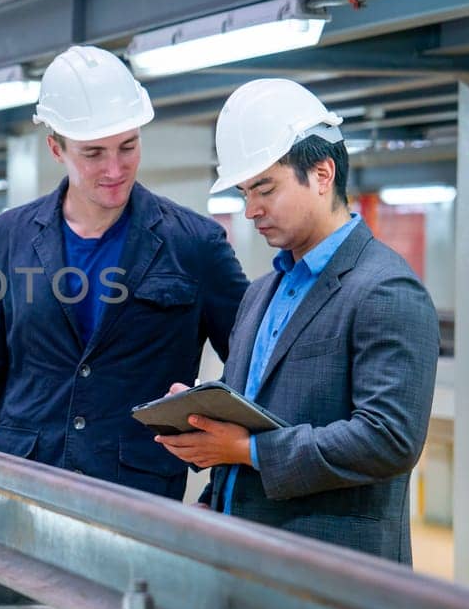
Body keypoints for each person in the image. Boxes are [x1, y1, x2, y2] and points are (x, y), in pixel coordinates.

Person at [0, 45, 248, 500]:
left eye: (128, 146)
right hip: (20, 485)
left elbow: (252, 371)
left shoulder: (195, 244)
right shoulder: (6, 239)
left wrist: (219, 494)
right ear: (56, 148)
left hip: (138, 495)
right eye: (93, 153)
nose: (114, 168)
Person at [157, 78, 439, 562]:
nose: (250, 210)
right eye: (245, 192)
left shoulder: (385, 289)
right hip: (240, 552)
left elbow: (389, 439)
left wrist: (248, 451)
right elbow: (254, 404)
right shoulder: (262, 292)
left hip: (330, 570)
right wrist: (204, 417)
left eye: (265, 188)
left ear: (323, 173)